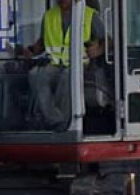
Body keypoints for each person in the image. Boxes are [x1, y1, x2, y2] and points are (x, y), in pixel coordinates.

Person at [23, 0, 101, 130]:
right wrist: (30, 50)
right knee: (35, 75)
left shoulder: (90, 15)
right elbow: (42, 42)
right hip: (54, 64)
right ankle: (55, 119)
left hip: (80, 65)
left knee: (67, 77)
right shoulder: (49, 16)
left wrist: (98, 50)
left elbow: (108, 41)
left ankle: (66, 123)